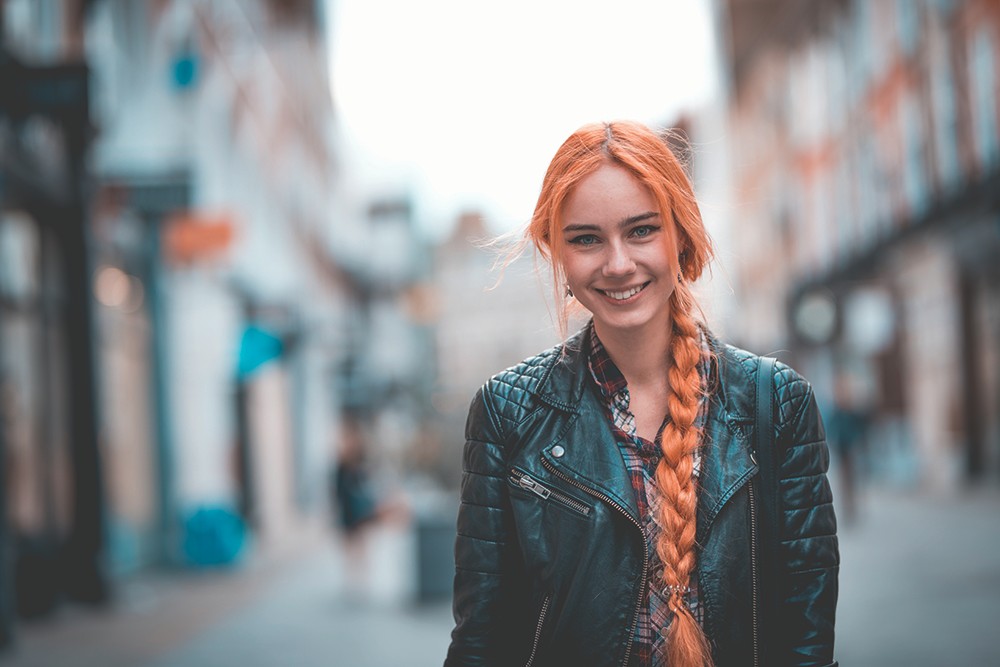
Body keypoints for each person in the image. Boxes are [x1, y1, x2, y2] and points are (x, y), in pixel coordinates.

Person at [444, 121, 838, 667]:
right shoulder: (507, 413)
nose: (618, 263)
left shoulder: (777, 404)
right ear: (555, 252)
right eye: (586, 238)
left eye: (641, 230)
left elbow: (806, 639)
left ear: (681, 234)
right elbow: (482, 641)